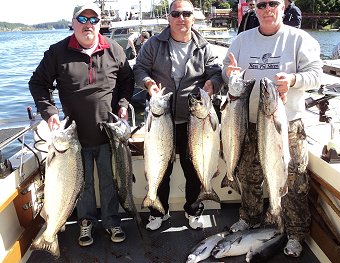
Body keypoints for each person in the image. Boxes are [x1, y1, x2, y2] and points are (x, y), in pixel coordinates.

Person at [29, 3, 135, 247]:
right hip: (74, 138)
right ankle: (85, 222)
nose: (88, 24)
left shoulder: (115, 49)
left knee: (110, 181)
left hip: (109, 134)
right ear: (73, 22)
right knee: (81, 183)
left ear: (100, 23)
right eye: (82, 19)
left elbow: (128, 80)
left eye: (93, 19)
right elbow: (37, 84)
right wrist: (49, 112)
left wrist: (123, 102)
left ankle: (111, 221)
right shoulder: (57, 52)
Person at [222, 0, 322, 258]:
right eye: (261, 4)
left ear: (284, 6)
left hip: (286, 127)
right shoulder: (242, 40)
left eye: (273, 3)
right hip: (248, 123)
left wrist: (293, 80)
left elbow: (316, 75)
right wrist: (229, 74)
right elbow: (227, 71)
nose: (268, 9)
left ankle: (295, 232)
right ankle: (250, 218)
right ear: (254, 8)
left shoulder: (299, 39)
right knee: (249, 176)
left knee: (293, 181)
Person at [133, 0, 223, 231]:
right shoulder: (153, 44)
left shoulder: (204, 47)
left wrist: (213, 83)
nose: (181, 18)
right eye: (176, 13)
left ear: (194, 17)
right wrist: (148, 83)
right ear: (169, 17)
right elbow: (139, 68)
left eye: (186, 14)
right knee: (159, 167)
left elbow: (216, 72)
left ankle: (194, 210)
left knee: (193, 168)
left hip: (193, 121)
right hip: (160, 121)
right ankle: (157, 212)